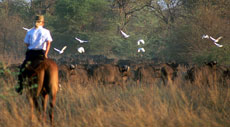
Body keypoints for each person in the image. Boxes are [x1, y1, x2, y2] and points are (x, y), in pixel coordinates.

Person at [16, 15, 53, 94]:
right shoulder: (46, 31)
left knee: (22, 68)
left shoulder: (29, 31)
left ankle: (20, 86)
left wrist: (32, 46)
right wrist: (46, 54)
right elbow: (48, 43)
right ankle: (56, 84)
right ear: (42, 23)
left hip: (31, 54)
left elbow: (26, 43)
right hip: (41, 54)